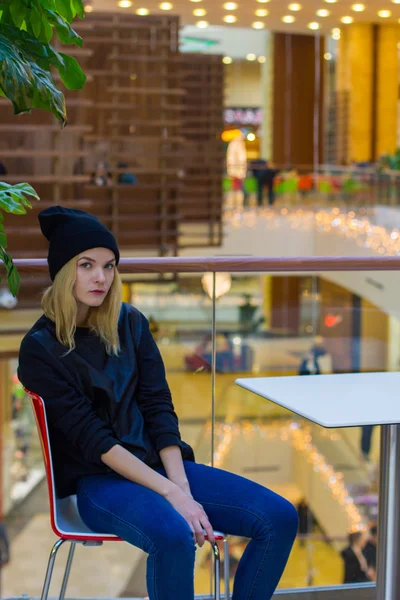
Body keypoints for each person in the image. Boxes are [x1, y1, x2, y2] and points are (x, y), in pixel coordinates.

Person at [17, 206, 298, 600]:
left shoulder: (130, 322)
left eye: (109, 266)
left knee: (279, 517)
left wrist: (179, 484)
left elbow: (157, 405)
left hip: (162, 466)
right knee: (172, 535)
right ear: (64, 271)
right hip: (99, 482)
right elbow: (95, 441)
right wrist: (171, 495)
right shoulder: (40, 349)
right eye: (86, 265)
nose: (101, 277)